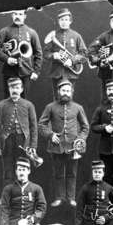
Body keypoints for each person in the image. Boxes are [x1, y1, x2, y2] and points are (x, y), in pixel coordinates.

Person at [38, 79, 89, 207]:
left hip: (73, 147)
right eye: (63, 90)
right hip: (57, 146)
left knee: (72, 173)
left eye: (68, 90)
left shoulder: (78, 108)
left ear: (71, 92)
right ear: (58, 91)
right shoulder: (50, 107)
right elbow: (41, 125)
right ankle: (59, 197)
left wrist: (80, 139)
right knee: (58, 173)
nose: (65, 93)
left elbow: (85, 127)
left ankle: (71, 197)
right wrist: (50, 135)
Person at [0, 77, 38, 201]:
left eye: (17, 87)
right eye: (12, 87)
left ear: (22, 89)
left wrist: (33, 146)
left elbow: (34, 127)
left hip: (24, 142)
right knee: (8, 170)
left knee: (23, 169)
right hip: (7, 141)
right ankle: (6, 197)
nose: (15, 90)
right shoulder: (1, 105)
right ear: (9, 89)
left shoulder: (29, 105)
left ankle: (22, 197)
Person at [0, 10, 43, 98]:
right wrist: (7, 59)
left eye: (20, 14)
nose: (17, 16)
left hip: (26, 72)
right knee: (8, 100)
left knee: (24, 100)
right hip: (9, 71)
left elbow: (38, 53)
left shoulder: (31, 32)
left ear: (25, 16)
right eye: (15, 14)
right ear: (12, 15)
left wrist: (36, 71)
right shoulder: (5, 31)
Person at [43, 8, 87, 99]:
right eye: (62, 20)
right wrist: (53, 55)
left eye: (66, 20)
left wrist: (72, 61)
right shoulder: (54, 35)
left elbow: (84, 54)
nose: (64, 22)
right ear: (58, 21)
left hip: (71, 73)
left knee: (69, 99)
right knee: (56, 99)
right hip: (56, 73)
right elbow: (45, 53)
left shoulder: (76, 36)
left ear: (70, 21)